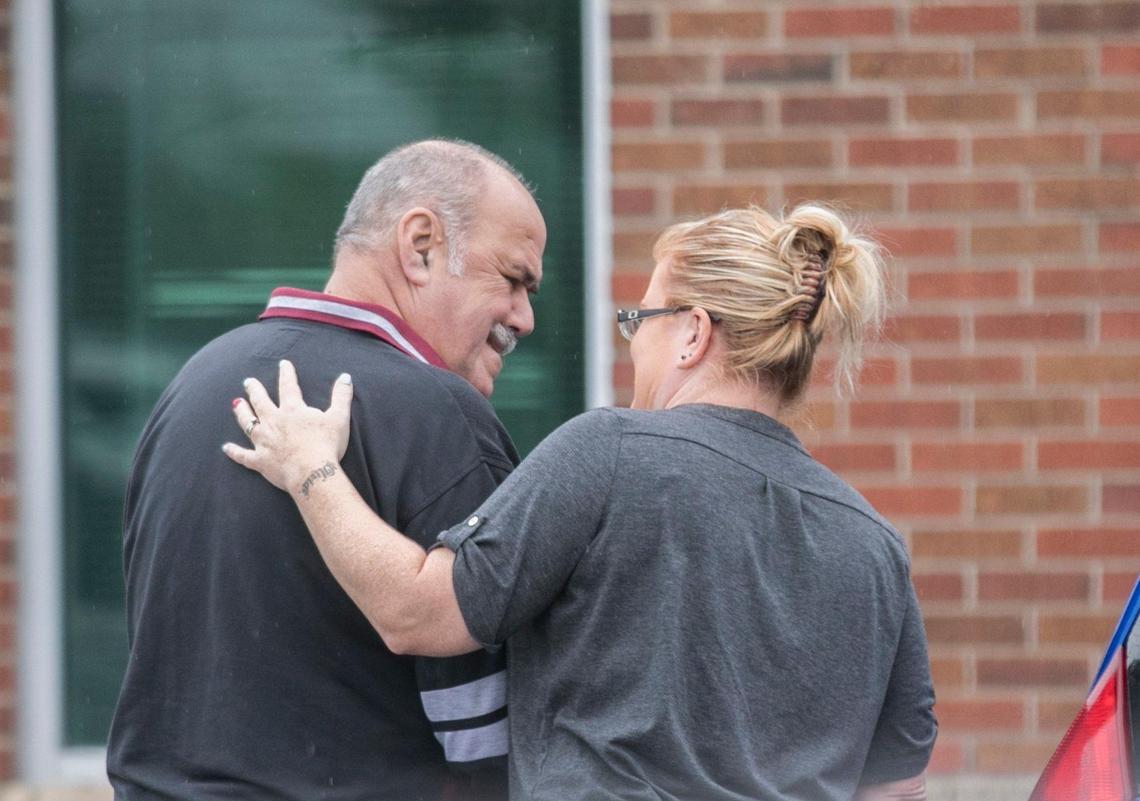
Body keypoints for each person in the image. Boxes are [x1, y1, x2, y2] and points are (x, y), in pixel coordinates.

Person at [224, 204, 937, 801]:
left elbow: (418, 613)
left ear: (693, 332)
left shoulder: (614, 450)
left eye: (639, 321)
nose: (633, 348)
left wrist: (312, 468)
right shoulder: (873, 545)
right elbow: (895, 783)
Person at [108, 139, 546, 801]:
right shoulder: (439, 416)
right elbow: (487, 745)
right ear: (421, 245)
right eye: (514, 278)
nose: (526, 316)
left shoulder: (193, 388)